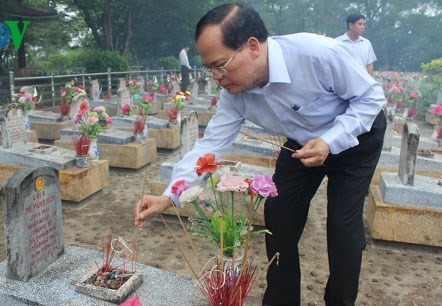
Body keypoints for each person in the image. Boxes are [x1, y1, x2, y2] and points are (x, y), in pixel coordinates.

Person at [135, 3, 386, 306]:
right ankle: (281, 300)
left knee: (342, 227)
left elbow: (371, 97)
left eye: (220, 64)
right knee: (278, 214)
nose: (216, 77)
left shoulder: (316, 54)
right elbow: (209, 147)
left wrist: (331, 141)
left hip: (357, 137)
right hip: (302, 143)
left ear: (252, 46)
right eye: (209, 68)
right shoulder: (233, 95)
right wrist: (170, 195)